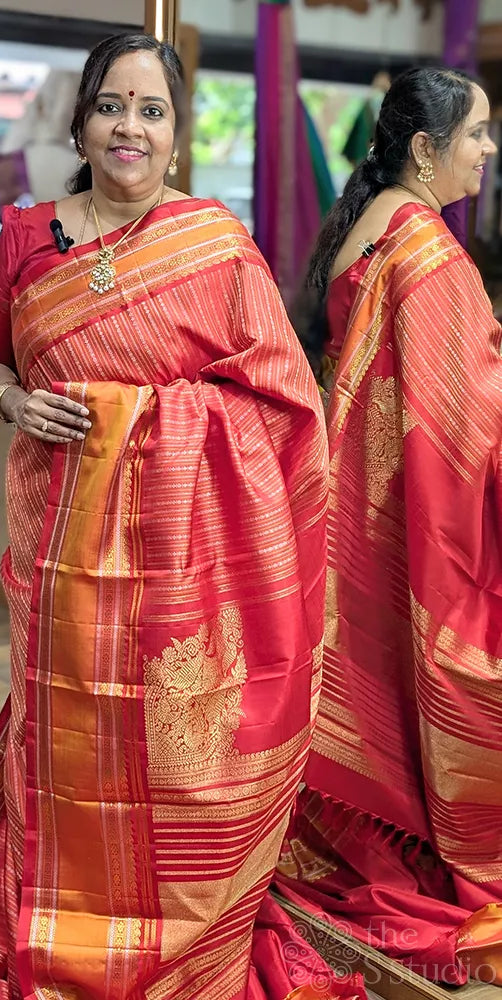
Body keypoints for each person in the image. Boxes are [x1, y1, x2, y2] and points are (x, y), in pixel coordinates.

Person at [0, 34, 332, 1000]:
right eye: (112, 106)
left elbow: (288, 402)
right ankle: (58, 923)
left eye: (153, 109)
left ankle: (172, 934)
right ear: (82, 122)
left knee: (170, 748)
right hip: (55, 537)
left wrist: (155, 423)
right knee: (61, 734)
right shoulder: (24, 236)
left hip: (180, 563)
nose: (130, 127)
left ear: (176, 134)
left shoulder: (215, 246)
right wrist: (12, 404)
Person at [276, 67, 502, 984]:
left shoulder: (363, 228)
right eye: (480, 133)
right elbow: (468, 421)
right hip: (414, 517)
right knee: (450, 673)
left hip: (355, 514)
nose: (489, 150)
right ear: (425, 149)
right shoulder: (432, 254)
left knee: (366, 685)